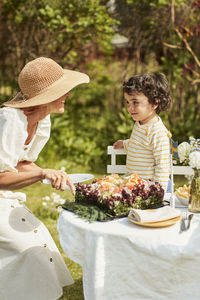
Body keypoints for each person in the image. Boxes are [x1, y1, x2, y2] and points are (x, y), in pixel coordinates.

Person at [0, 57, 89, 300]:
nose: (67, 94)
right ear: (46, 96)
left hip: (5, 197)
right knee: (29, 252)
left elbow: (20, 162)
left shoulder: (42, 121)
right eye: (62, 91)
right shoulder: (10, 119)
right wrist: (41, 174)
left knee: (43, 244)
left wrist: (51, 175)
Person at [113, 73, 171, 192]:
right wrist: (125, 144)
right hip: (134, 184)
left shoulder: (158, 133)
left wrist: (157, 193)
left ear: (155, 103)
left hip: (148, 188)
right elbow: (139, 145)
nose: (130, 107)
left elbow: (163, 166)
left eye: (135, 102)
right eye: (128, 102)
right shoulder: (140, 124)